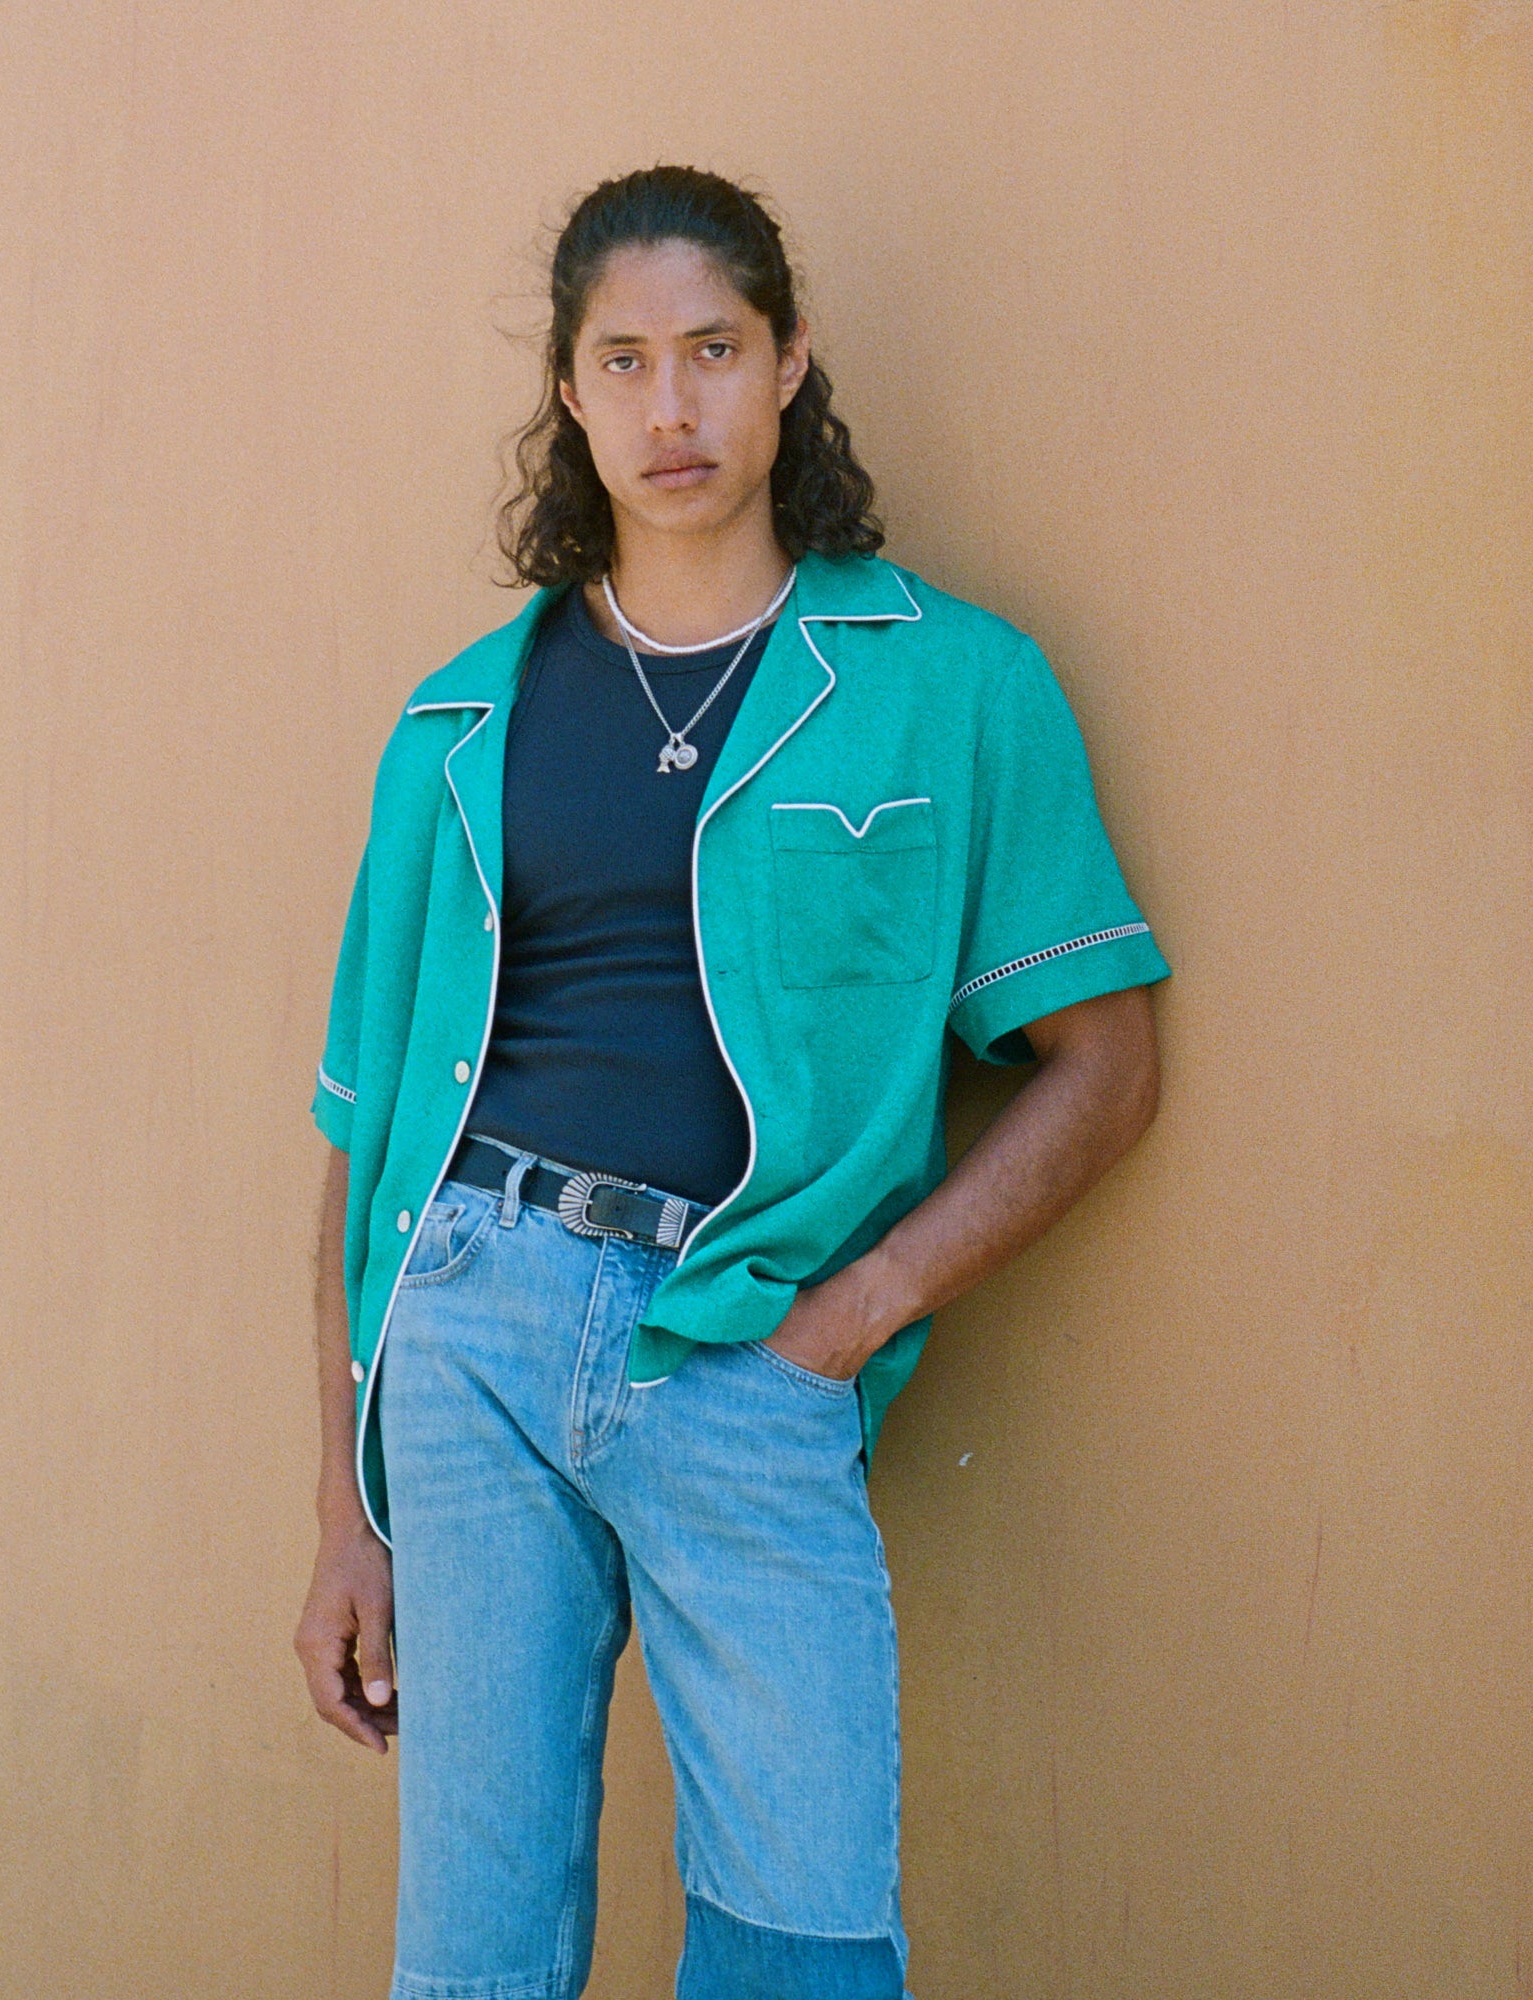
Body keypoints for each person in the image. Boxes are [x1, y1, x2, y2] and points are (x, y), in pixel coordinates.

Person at [293, 165, 1170, 2000]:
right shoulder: (457, 722)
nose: (670, 405)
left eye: (711, 348)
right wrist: (343, 1512)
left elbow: (1104, 1069)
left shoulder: (949, 684)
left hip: (749, 1347)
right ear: (570, 392)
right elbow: (365, 1146)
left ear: (788, 364)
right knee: (473, 1955)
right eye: (623, 361)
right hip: (469, 1335)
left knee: (805, 1936)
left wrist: (861, 1309)